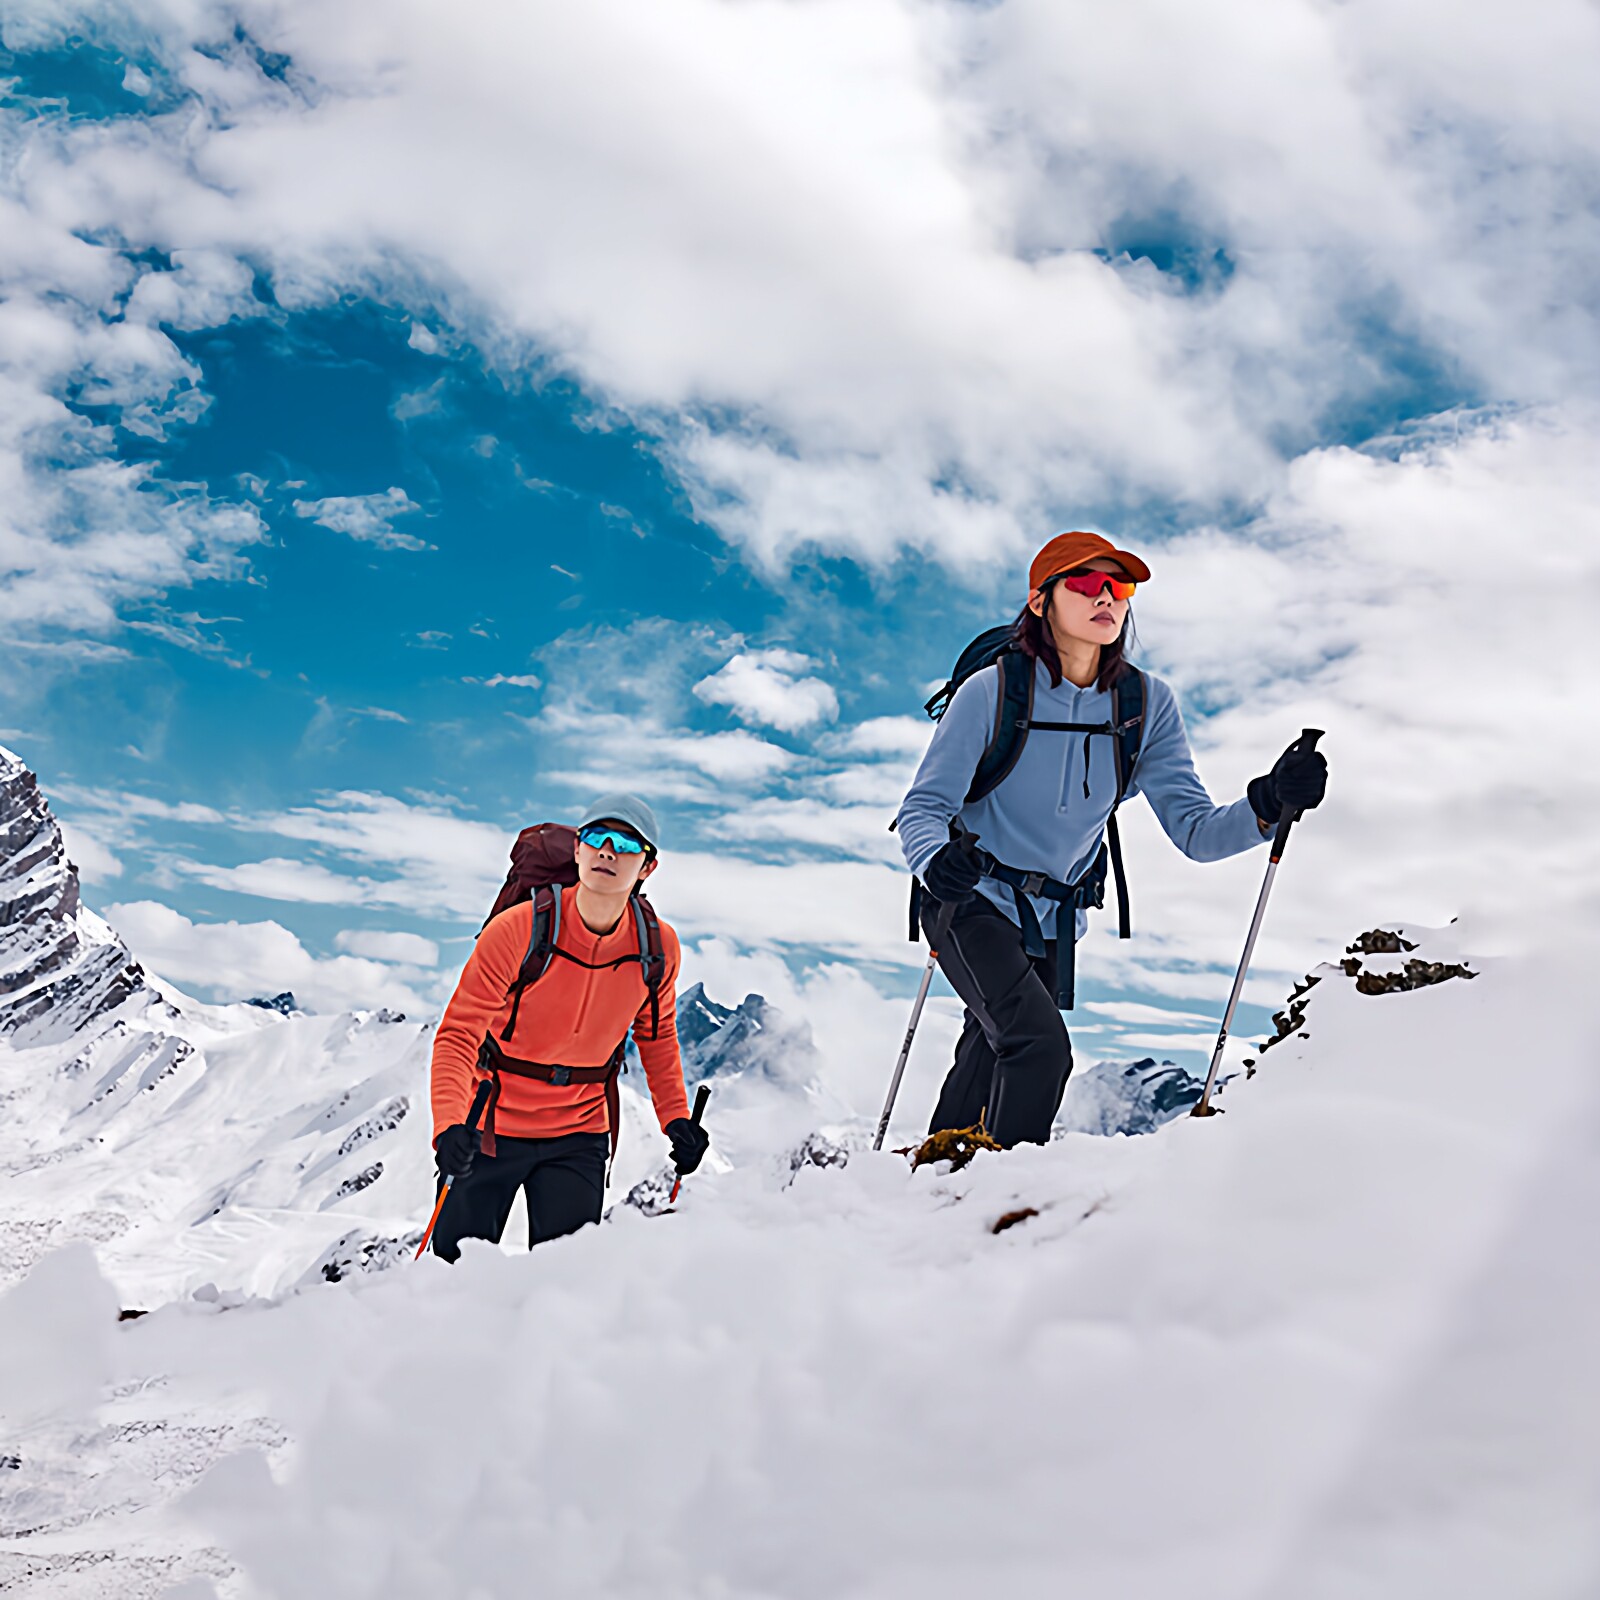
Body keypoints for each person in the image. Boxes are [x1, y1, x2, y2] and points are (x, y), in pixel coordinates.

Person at [895, 530, 1328, 1149]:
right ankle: (1007, 1192)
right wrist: (936, 861)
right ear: (1040, 601)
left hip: (1055, 916)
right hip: (967, 898)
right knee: (1038, 1046)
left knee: (993, 1046)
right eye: (1085, 583)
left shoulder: (1144, 706)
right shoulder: (990, 692)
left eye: (1119, 587)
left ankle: (939, 1175)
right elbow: (923, 807)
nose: (1107, 597)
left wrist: (1267, 804)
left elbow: (1197, 832)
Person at [427, 794, 709, 1258]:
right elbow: (460, 1033)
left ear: (647, 867)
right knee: (451, 1276)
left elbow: (656, 1036)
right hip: (489, 1128)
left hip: (579, 1133)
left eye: (626, 844)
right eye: (596, 838)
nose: (607, 852)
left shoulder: (657, 947)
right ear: (578, 849)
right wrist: (450, 1125)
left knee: (564, 1283)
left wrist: (676, 1119)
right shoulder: (517, 930)